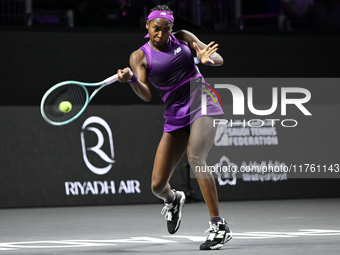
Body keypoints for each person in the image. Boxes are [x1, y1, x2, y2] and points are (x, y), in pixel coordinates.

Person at [117, 4, 232, 250]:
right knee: (157, 186)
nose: (161, 34)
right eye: (156, 29)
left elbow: (218, 58)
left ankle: (218, 226)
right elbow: (146, 94)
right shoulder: (139, 56)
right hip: (174, 111)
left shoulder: (183, 39)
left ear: (172, 28)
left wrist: (206, 59)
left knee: (196, 157)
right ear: (147, 26)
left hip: (201, 98)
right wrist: (132, 81)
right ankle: (173, 200)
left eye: (166, 29)